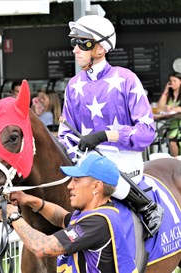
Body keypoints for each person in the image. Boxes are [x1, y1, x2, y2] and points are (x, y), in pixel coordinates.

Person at [57, 15, 163, 237]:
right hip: (86, 162)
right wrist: (71, 150)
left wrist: (105, 135)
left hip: (123, 160)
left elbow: (147, 132)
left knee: (104, 174)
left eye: (81, 43)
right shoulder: (74, 86)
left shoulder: (126, 79)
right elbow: (66, 133)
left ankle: (148, 206)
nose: (75, 49)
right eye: (73, 43)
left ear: (99, 49)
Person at [0, 154, 138, 273]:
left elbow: (42, 247)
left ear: (96, 186)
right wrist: (29, 200)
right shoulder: (97, 214)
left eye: (76, 180)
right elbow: (61, 217)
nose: (70, 186)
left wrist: (13, 215)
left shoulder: (97, 223)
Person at [157, 72, 181, 156]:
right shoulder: (170, 95)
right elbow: (160, 108)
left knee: (173, 142)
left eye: (174, 80)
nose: (172, 83)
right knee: (171, 141)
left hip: (179, 124)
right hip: (172, 124)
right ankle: (176, 163)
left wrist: (174, 108)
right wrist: (165, 92)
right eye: (170, 81)